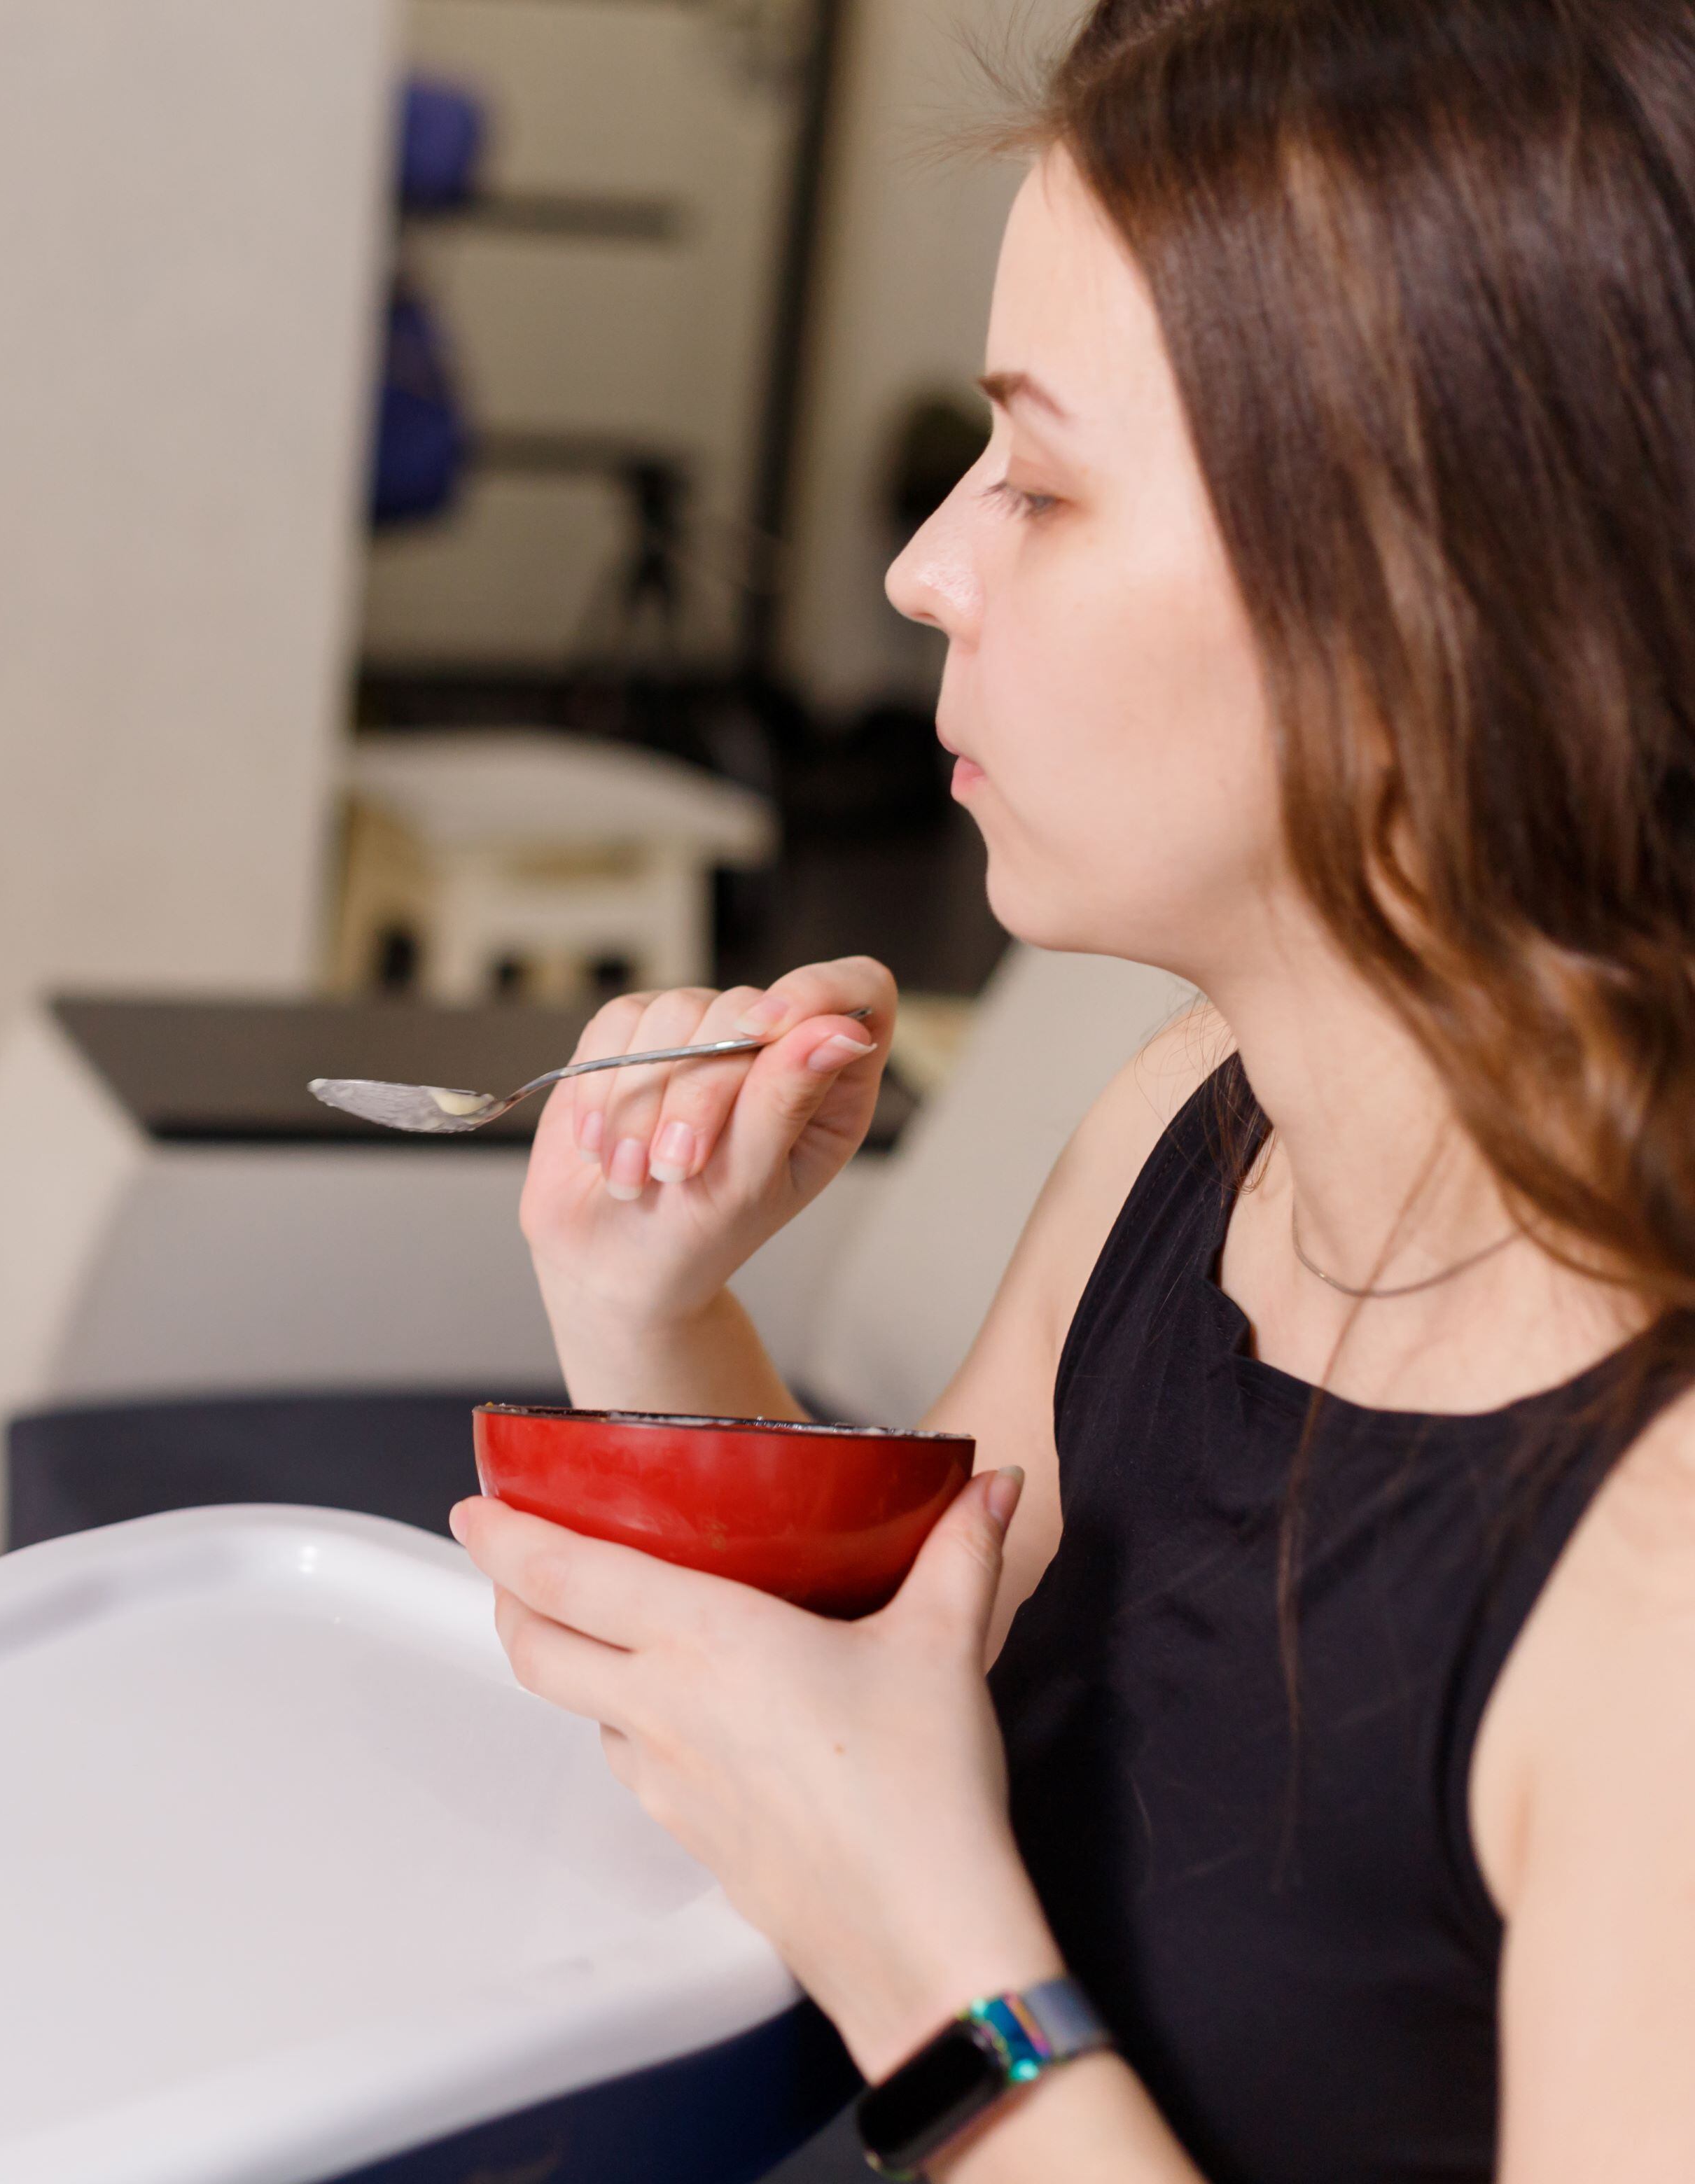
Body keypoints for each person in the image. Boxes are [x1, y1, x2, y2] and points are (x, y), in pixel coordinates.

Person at [449, 1, 1695, 2176]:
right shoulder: (1189, 1126)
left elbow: (900, 1875)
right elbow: (890, 1701)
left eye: (1034, 476)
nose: (927, 566)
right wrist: (654, 1313)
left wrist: (931, 1969)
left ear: (1429, 615)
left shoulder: (1660, 1585)